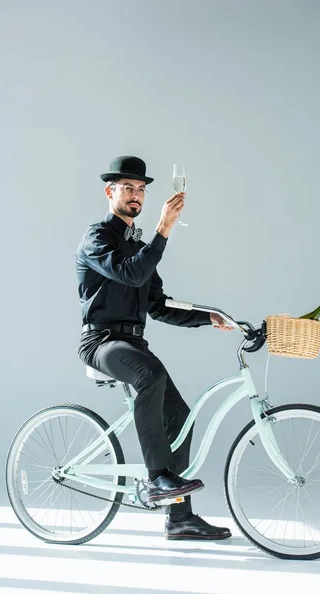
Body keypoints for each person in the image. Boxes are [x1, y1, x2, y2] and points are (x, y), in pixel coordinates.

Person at [76, 156, 232, 540]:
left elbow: (158, 304)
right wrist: (164, 228)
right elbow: (130, 273)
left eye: (142, 189)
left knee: (180, 415)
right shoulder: (97, 238)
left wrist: (207, 316)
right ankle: (157, 477)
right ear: (109, 192)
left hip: (133, 342)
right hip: (101, 341)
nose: (136, 195)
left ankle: (179, 518)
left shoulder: (138, 246)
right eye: (128, 188)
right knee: (151, 375)